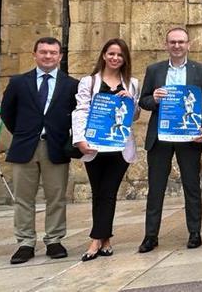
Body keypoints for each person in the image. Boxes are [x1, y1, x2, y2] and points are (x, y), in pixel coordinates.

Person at [1, 37, 79, 265]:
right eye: (43, 52)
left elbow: (77, 115)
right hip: (25, 146)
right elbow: (7, 113)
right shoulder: (18, 82)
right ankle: (25, 242)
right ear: (34, 54)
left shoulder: (70, 84)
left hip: (55, 147)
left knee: (56, 197)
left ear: (60, 57)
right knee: (24, 198)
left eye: (53, 53)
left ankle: (54, 239)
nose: (48, 56)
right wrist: (25, 133)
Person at [138, 27, 202, 252]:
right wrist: (155, 99)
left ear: (189, 44)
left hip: (189, 136)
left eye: (181, 42)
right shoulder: (154, 70)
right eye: (173, 42)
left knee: (191, 186)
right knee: (156, 187)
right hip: (160, 136)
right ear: (166, 45)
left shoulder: (200, 70)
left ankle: (194, 233)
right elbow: (143, 100)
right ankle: (150, 236)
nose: (177, 46)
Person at [71, 38, 140, 261]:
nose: (115, 58)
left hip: (119, 147)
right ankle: (106, 239)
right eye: (111, 54)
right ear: (104, 55)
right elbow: (80, 111)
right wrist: (79, 140)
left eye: (120, 55)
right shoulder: (89, 82)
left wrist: (131, 102)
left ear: (124, 59)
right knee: (98, 192)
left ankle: (95, 240)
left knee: (108, 192)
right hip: (93, 146)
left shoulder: (132, 83)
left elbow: (135, 116)